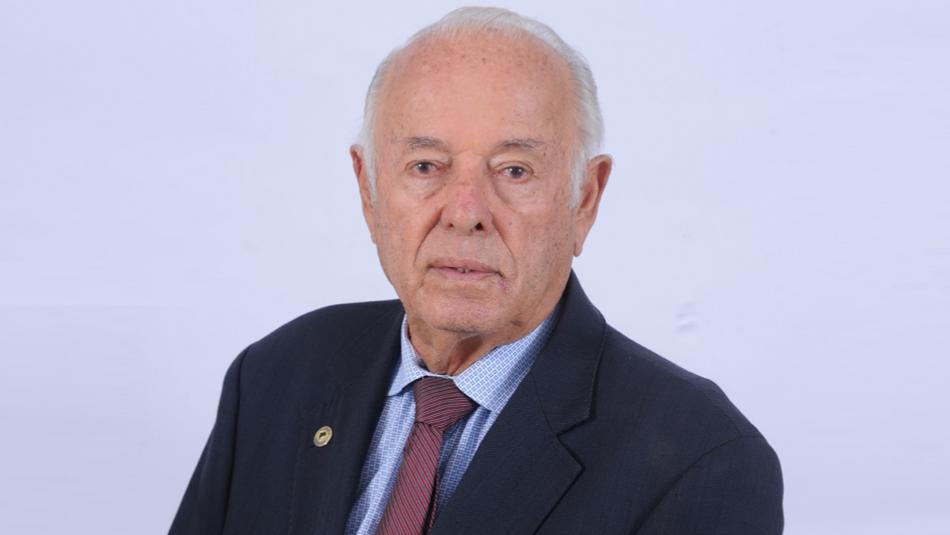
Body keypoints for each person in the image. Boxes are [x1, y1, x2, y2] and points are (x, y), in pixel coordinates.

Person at [169, 7, 783, 534]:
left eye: (514, 170)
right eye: (426, 166)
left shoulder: (704, 460)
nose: (465, 214)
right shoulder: (275, 376)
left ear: (585, 200)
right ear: (368, 189)